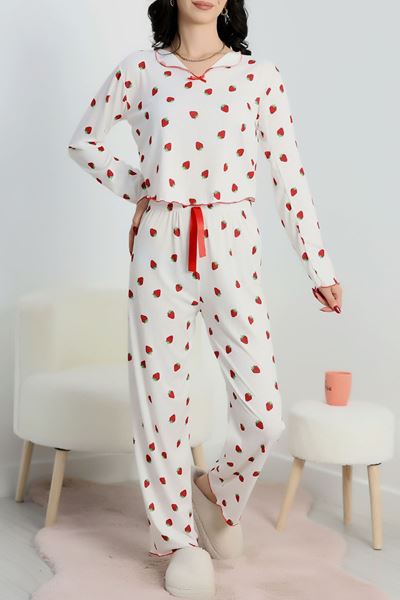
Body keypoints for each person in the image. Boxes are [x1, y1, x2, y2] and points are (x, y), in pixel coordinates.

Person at [67, 0, 343, 596]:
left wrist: (316, 262)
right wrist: (141, 185)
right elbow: (84, 142)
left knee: (263, 411)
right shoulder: (139, 70)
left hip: (232, 238)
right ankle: (177, 540)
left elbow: (288, 174)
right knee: (160, 397)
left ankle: (215, 489)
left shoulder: (258, 75)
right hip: (161, 238)